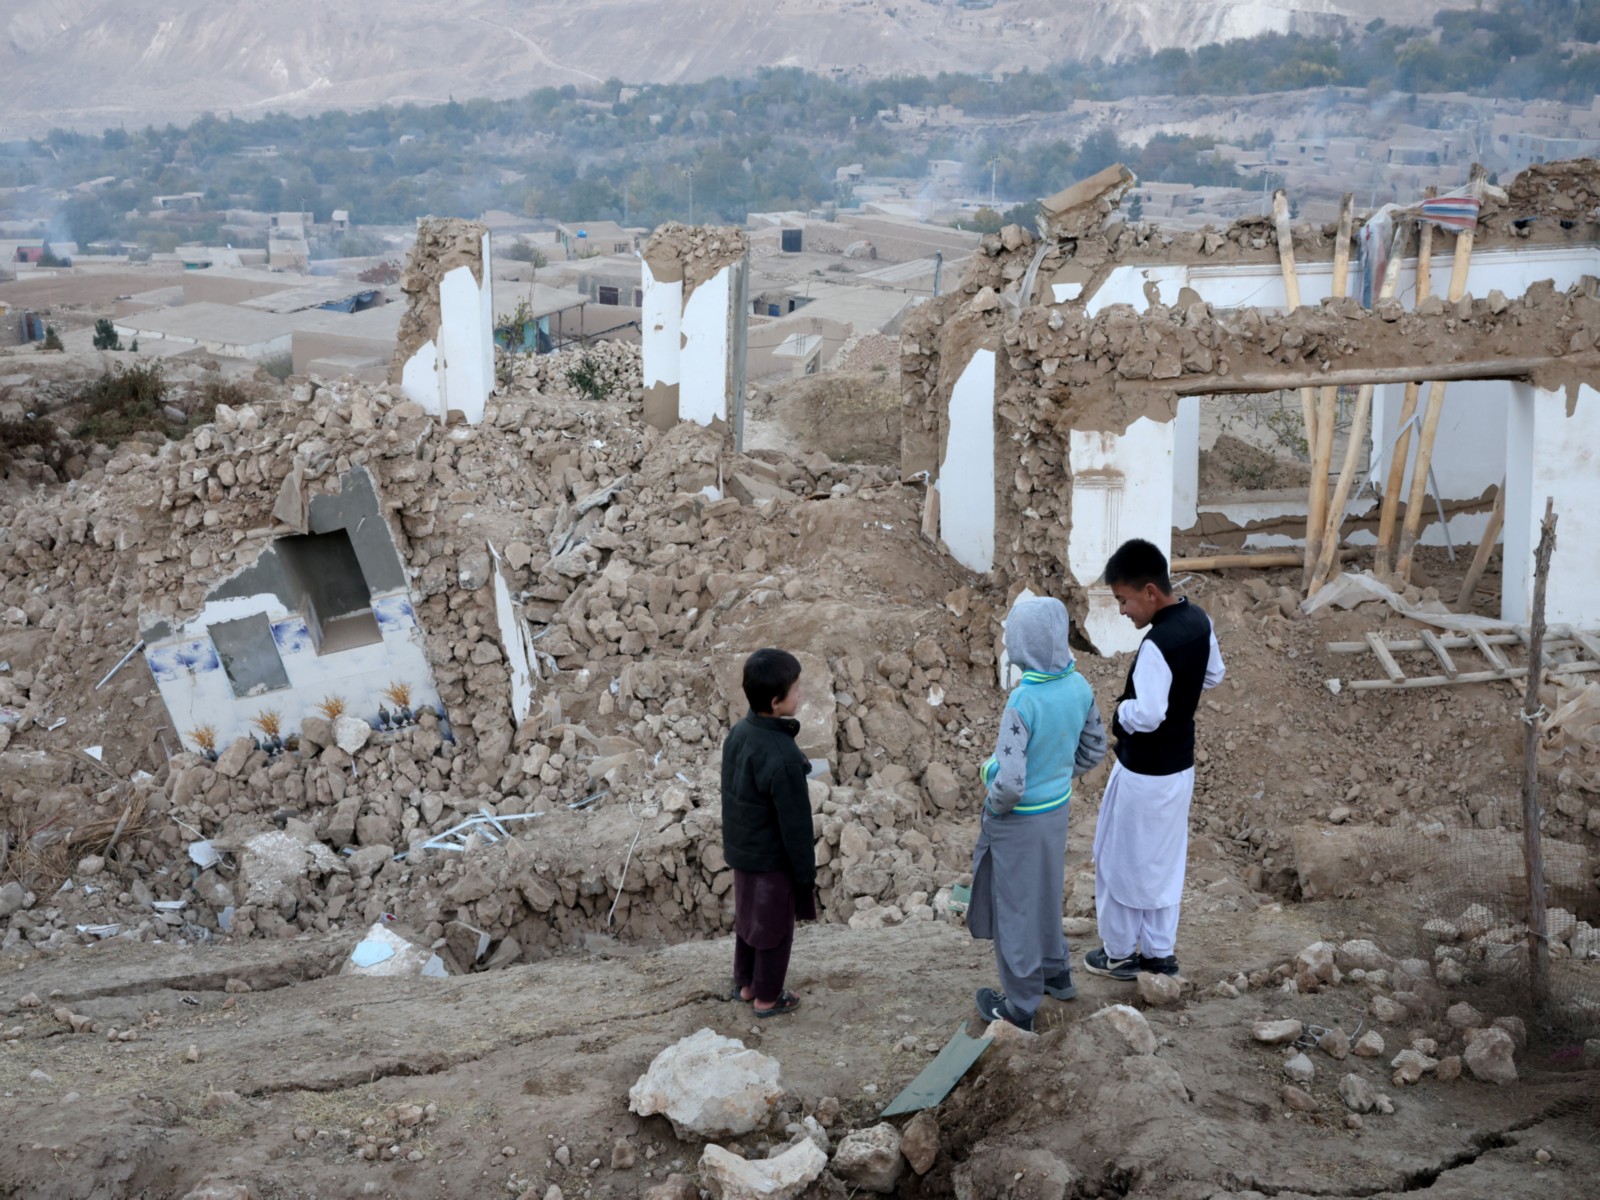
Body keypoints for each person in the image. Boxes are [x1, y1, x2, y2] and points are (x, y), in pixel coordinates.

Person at [1084, 539, 1225, 982]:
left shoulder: (1156, 645)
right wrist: (1182, 693)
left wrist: (1121, 711)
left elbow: (1147, 714)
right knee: (1163, 861)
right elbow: (1214, 674)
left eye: (1123, 600)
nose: (1122, 610)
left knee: (1121, 862)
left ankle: (1120, 953)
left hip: (1144, 772)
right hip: (1179, 768)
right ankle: (1160, 953)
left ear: (1149, 591)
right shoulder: (1199, 620)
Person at [969, 595, 1108, 1031]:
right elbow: (1095, 748)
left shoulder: (1023, 701)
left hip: (1018, 820)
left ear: (1021, 643)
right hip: (1056, 812)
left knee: (1014, 909)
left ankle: (1019, 1005)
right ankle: (1056, 974)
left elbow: (1010, 782)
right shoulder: (1079, 686)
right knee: (1046, 894)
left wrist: (993, 803)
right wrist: (1058, 772)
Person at [721, 648, 817, 1017]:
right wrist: (804, 874)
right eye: (796, 689)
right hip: (773, 860)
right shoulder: (783, 757)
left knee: (749, 921)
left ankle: (746, 984)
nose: (801, 693)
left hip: (743, 851)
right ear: (776, 702)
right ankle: (767, 997)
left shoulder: (739, 733)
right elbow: (796, 826)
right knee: (774, 930)